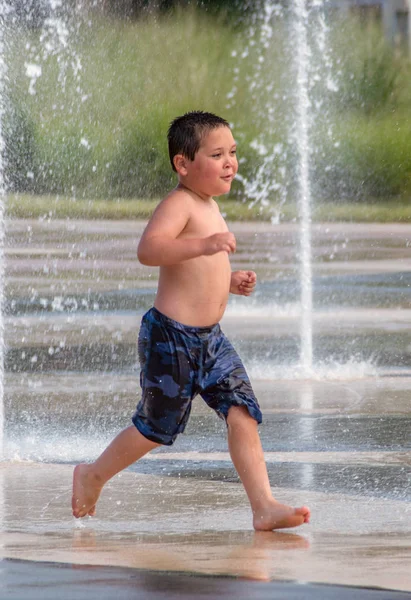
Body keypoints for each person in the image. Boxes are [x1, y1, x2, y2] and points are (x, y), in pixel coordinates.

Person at [72, 111, 310, 530]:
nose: (230, 163)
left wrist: (228, 279)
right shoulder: (179, 204)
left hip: (211, 340)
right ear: (183, 164)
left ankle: (264, 506)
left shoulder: (210, 205)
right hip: (172, 338)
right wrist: (204, 245)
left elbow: (198, 269)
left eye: (232, 152)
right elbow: (150, 250)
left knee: (243, 411)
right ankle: (93, 474)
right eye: (216, 154)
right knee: (155, 427)